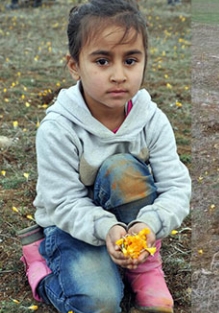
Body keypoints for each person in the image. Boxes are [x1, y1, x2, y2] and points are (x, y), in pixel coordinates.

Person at [17, 0, 191, 312]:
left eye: (131, 60)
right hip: (71, 226)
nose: (118, 75)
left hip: (133, 227)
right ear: (74, 66)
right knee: (101, 302)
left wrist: (148, 225)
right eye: (102, 61)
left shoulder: (152, 119)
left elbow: (177, 187)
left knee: (122, 167)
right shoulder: (58, 128)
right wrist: (106, 229)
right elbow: (62, 202)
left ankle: (144, 268)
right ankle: (41, 268)